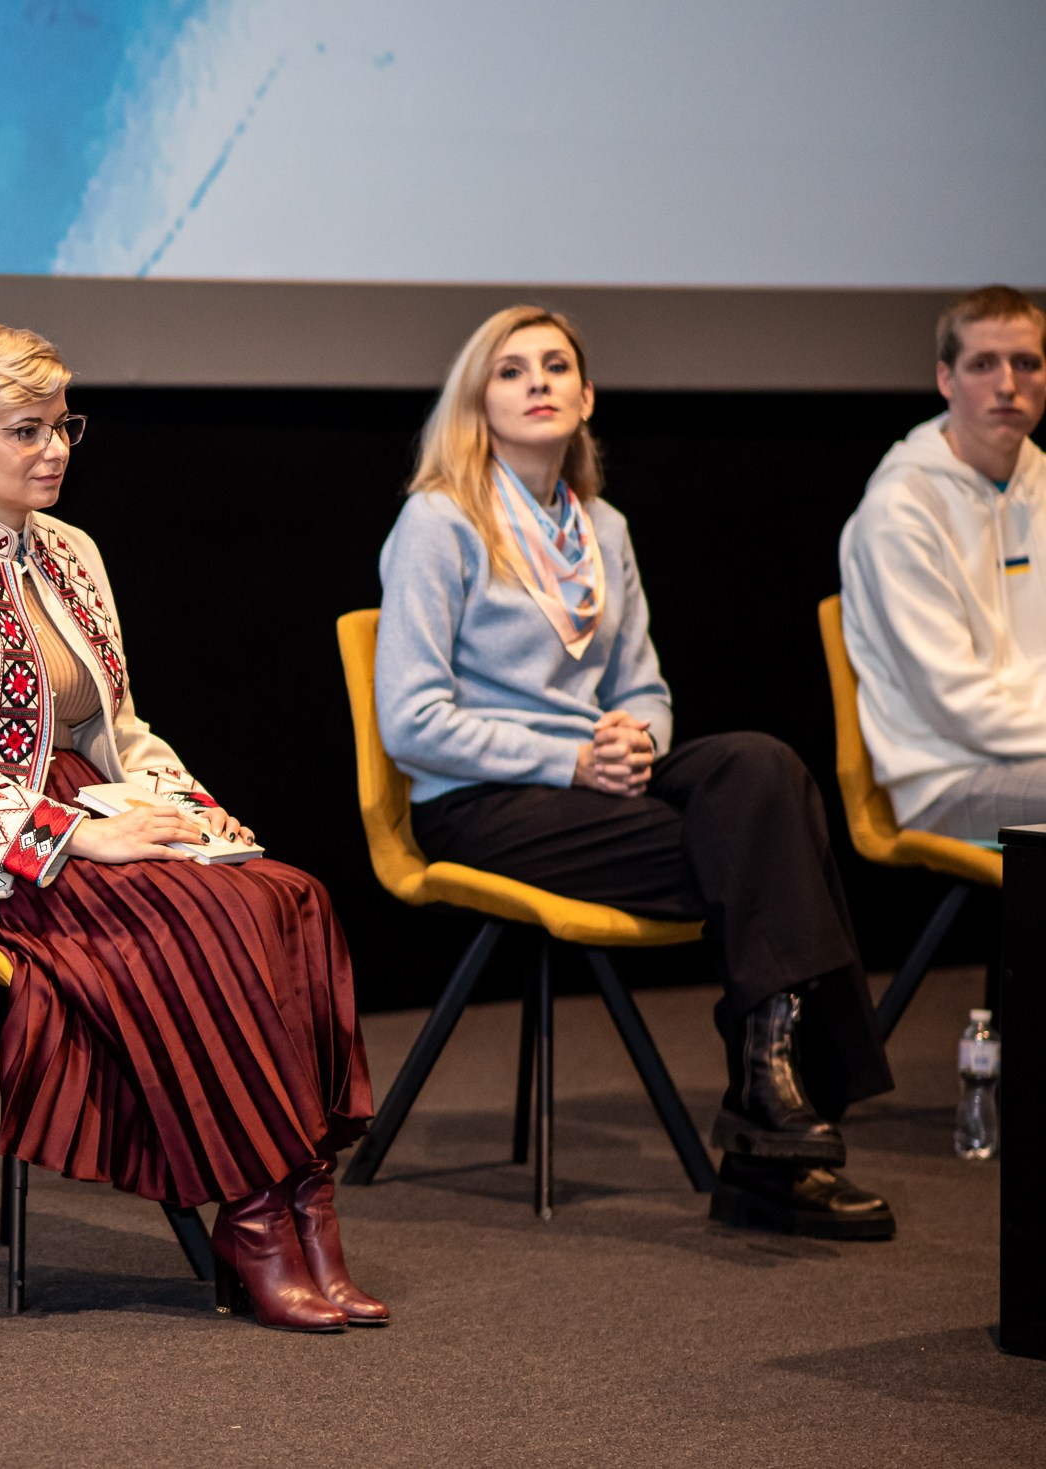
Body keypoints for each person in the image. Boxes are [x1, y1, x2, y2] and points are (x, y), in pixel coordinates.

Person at [0, 322, 381, 1332]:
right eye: (26, 428)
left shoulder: (71, 550)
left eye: (62, 426)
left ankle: (307, 1197)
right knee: (190, 915)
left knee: (280, 891)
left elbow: (112, 726)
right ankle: (253, 1216)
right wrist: (78, 835)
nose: (55, 449)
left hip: (77, 800)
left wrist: (186, 808)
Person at [374, 305, 896, 1239]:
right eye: (511, 370)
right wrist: (567, 756)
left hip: (603, 784)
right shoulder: (440, 521)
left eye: (555, 366)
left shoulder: (600, 527)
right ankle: (773, 1128)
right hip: (486, 799)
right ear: (477, 401)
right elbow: (411, 723)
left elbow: (645, 687)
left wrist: (636, 740)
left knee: (762, 767)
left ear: (585, 397)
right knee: (768, 848)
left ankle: (773, 1108)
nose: (537, 382)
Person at [839, 286, 1046, 840]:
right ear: (945, 380)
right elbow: (954, 703)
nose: (1008, 384)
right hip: (947, 777)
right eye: (984, 364)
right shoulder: (900, 508)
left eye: (1026, 363)